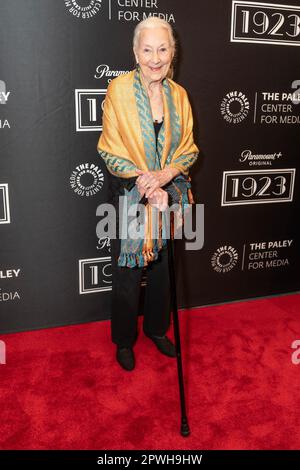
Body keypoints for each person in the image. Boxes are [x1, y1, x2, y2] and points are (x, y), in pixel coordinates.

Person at [97, 17, 199, 371]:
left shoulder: (180, 96)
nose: (155, 58)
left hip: (167, 194)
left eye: (163, 49)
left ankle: (156, 329)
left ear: (173, 52)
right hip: (130, 193)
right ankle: (124, 340)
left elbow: (187, 150)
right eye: (147, 49)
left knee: (160, 271)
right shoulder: (119, 90)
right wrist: (147, 183)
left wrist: (166, 178)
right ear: (135, 53)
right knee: (127, 272)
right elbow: (111, 150)